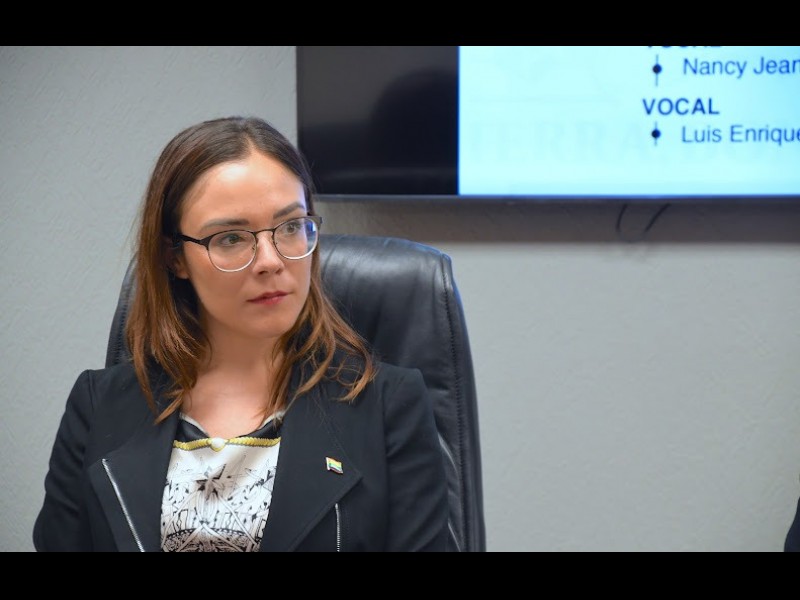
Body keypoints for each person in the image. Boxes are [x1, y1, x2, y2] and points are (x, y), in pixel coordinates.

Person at [33, 116, 448, 552]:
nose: (271, 260)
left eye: (291, 226)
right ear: (175, 258)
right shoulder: (98, 407)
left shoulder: (388, 407)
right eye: (231, 238)